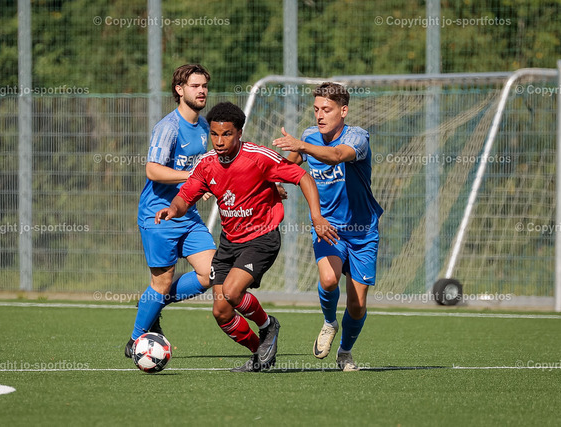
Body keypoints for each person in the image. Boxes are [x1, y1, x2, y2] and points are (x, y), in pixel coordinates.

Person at [156, 102, 338, 372]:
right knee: (221, 312)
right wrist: (173, 209)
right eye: (214, 134)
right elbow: (185, 196)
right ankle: (259, 355)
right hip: (229, 242)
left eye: (226, 134)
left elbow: (304, 178)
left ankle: (268, 326)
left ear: (239, 133)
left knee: (232, 292)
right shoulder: (206, 164)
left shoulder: (258, 157)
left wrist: (317, 217)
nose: (219, 141)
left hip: (261, 238)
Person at [272, 82, 383, 371]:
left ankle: (345, 352)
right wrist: (275, 182)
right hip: (327, 226)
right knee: (329, 279)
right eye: (316, 109)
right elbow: (290, 165)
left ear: (343, 111)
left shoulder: (357, 137)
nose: (320, 115)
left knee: (357, 304)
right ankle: (329, 321)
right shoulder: (310, 136)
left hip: (363, 230)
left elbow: (336, 156)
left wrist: (302, 146)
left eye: (327, 109)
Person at [125, 64, 216, 358]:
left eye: (204, 86)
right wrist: (193, 178)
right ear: (179, 90)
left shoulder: (205, 127)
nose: (201, 91)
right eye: (195, 86)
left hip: (187, 215)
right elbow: (152, 170)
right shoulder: (169, 127)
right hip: (159, 215)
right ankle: (135, 341)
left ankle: (154, 304)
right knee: (162, 282)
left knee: (211, 273)